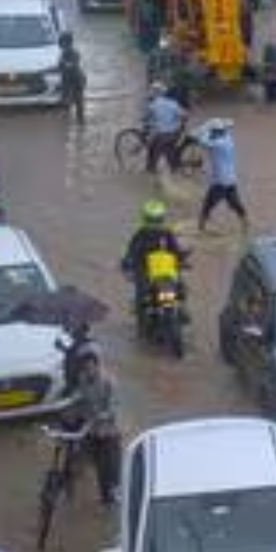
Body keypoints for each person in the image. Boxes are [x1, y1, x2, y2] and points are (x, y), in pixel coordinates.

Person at [67, 353, 122, 506]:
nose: (89, 372)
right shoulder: (82, 380)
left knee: (112, 469)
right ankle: (104, 497)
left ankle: (114, 494)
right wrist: (70, 405)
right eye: (86, 369)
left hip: (109, 433)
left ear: (97, 366)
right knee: (95, 467)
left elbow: (113, 409)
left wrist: (100, 416)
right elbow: (79, 398)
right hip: (90, 432)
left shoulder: (109, 382)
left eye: (91, 368)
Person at [120, 200, 189, 319]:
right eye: (152, 219)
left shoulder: (166, 232)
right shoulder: (141, 233)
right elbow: (131, 249)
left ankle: (182, 308)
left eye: (157, 219)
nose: (154, 222)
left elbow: (175, 249)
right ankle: (141, 315)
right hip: (146, 266)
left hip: (163, 267)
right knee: (142, 292)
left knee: (180, 285)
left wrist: (182, 258)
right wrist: (127, 261)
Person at [194, 119, 248, 232]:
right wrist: (210, 127)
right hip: (231, 180)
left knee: (207, 205)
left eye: (213, 132)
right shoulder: (228, 138)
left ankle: (201, 228)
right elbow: (227, 125)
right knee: (235, 203)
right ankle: (245, 224)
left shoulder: (218, 144)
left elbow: (202, 141)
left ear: (216, 132)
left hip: (220, 181)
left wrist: (204, 128)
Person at [142, 82, 188, 173]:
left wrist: (145, 120)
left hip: (162, 134)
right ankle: (174, 168)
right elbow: (184, 116)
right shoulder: (173, 104)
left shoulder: (154, 104)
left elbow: (146, 117)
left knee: (153, 148)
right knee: (168, 149)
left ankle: (151, 169)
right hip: (175, 133)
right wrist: (180, 124)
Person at [57, 31, 86, 123]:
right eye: (61, 43)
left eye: (63, 43)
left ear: (69, 43)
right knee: (65, 102)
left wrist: (64, 64)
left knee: (78, 103)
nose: (62, 45)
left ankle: (80, 122)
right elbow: (60, 67)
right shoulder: (63, 54)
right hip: (66, 81)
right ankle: (67, 122)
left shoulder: (75, 53)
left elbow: (72, 65)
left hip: (77, 81)